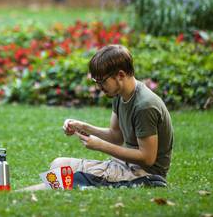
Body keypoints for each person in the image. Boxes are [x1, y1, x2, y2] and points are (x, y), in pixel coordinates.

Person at [24, 44, 173, 190]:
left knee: (67, 179)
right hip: (124, 166)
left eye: (102, 82)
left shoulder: (144, 106)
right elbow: (115, 136)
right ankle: (50, 188)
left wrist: (100, 146)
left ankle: (22, 193)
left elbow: (148, 158)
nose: (99, 88)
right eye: (96, 82)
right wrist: (83, 127)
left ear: (120, 75)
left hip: (145, 176)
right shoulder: (119, 95)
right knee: (58, 164)